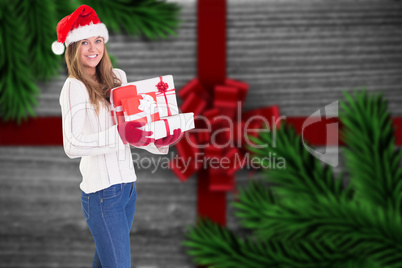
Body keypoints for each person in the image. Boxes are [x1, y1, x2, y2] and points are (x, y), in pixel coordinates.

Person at [53, 5, 181, 268]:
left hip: (128, 190)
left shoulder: (118, 79)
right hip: (101, 196)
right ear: (73, 48)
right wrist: (119, 133)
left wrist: (159, 141)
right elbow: (72, 144)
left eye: (98, 40)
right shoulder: (73, 87)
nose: (92, 48)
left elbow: (132, 131)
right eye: (84, 42)